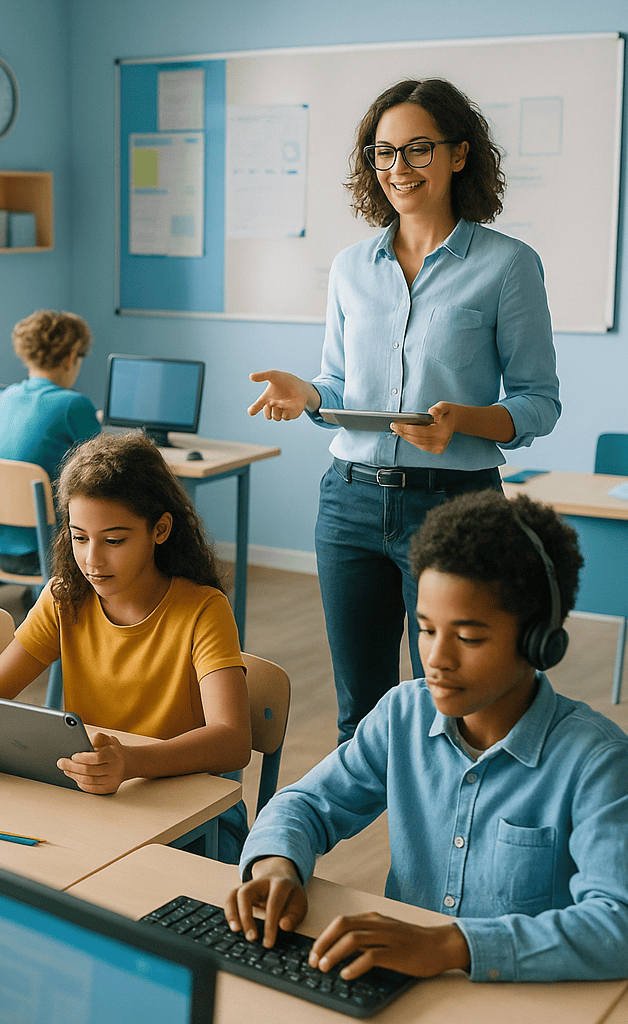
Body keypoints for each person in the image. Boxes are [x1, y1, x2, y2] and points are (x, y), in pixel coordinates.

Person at [247, 79, 560, 743]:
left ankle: (437, 841)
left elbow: (539, 401)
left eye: (417, 149)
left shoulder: (507, 266)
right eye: (382, 152)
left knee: (452, 709)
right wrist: (308, 395)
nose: (397, 168)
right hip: (349, 504)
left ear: (459, 155)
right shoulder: (350, 267)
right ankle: (360, 842)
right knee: (359, 714)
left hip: (456, 508)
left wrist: (463, 422)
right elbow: (338, 384)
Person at [225, 490, 628, 983]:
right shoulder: (404, 714)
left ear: (538, 642)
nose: (437, 658)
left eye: (468, 638)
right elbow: (305, 805)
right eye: (425, 629)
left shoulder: (599, 764)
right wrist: (277, 867)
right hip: (400, 990)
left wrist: (452, 945)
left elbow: (620, 924)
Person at [0, 431, 252, 861]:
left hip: (196, 822)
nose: (92, 560)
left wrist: (133, 763)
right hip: (99, 808)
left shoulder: (202, 609)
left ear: (160, 529)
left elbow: (232, 741)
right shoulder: (65, 598)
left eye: (114, 540)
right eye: (79, 537)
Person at [0, 309, 100, 576]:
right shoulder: (74, 404)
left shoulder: (8, 396)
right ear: (71, 357)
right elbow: (108, 462)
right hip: (46, 554)